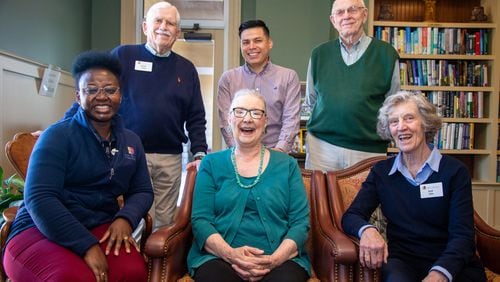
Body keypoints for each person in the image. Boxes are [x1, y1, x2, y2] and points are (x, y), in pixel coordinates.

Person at [3, 51, 154, 281]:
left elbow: (142, 190)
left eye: (110, 90)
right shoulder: (56, 136)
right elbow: (40, 198)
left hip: (99, 225)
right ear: (78, 96)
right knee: (72, 278)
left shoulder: (132, 141)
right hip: (40, 228)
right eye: (91, 89)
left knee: (132, 273)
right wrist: (86, 246)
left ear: (120, 95)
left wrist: (125, 218)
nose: (101, 96)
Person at [64, 1, 208, 229]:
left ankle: (158, 264)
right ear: (145, 27)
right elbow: (92, 92)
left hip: (170, 158)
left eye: (170, 23)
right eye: (158, 21)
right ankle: (135, 261)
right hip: (128, 152)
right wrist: (62, 128)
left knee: (165, 222)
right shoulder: (124, 55)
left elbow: (196, 116)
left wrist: (199, 152)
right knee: (135, 216)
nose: (164, 27)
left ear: (177, 32)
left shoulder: (186, 69)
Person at [341, 91, 486, 282]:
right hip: (403, 261)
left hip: (453, 261)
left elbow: (463, 236)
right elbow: (352, 216)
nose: (401, 127)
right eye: (394, 121)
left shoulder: (455, 171)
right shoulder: (381, 172)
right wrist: (367, 231)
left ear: (425, 123)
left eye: (409, 118)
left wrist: (440, 273)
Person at [188, 89, 310, 281]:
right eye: (240, 111)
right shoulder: (211, 164)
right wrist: (231, 255)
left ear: (265, 122)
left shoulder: (287, 165)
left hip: (280, 260)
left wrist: (273, 260)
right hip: (219, 258)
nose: (247, 119)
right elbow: (201, 220)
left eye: (256, 113)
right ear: (229, 119)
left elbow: (300, 223)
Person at [304, 0, 400, 171]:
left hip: (369, 150)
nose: (346, 16)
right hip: (322, 148)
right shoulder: (319, 54)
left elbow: (393, 105)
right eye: (340, 12)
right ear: (333, 20)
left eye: (352, 10)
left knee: (365, 198)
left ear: (364, 15)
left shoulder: (386, 54)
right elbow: (312, 101)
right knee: (320, 197)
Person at [217, 19, 301, 153]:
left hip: (277, 155)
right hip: (238, 157)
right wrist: (238, 152)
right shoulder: (228, 79)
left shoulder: (288, 77)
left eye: (257, 40)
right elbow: (226, 123)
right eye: (245, 42)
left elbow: (291, 120)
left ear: (269, 43)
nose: (251, 46)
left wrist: (279, 153)